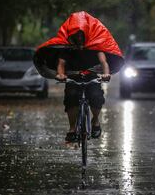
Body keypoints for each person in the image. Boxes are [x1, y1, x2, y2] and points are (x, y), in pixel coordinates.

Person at [33, 11, 124, 143]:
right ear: (71, 36)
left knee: (96, 96)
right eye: (76, 36)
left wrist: (106, 74)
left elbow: (104, 62)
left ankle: (95, 120)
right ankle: (72, 129)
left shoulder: (95, 45)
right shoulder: (67, 48)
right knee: (71, 97)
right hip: (73, 77)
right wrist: (60, 75)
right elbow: (61, 63)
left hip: (91, 76)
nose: (79, 39)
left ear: (86, 34)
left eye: (81, 35)